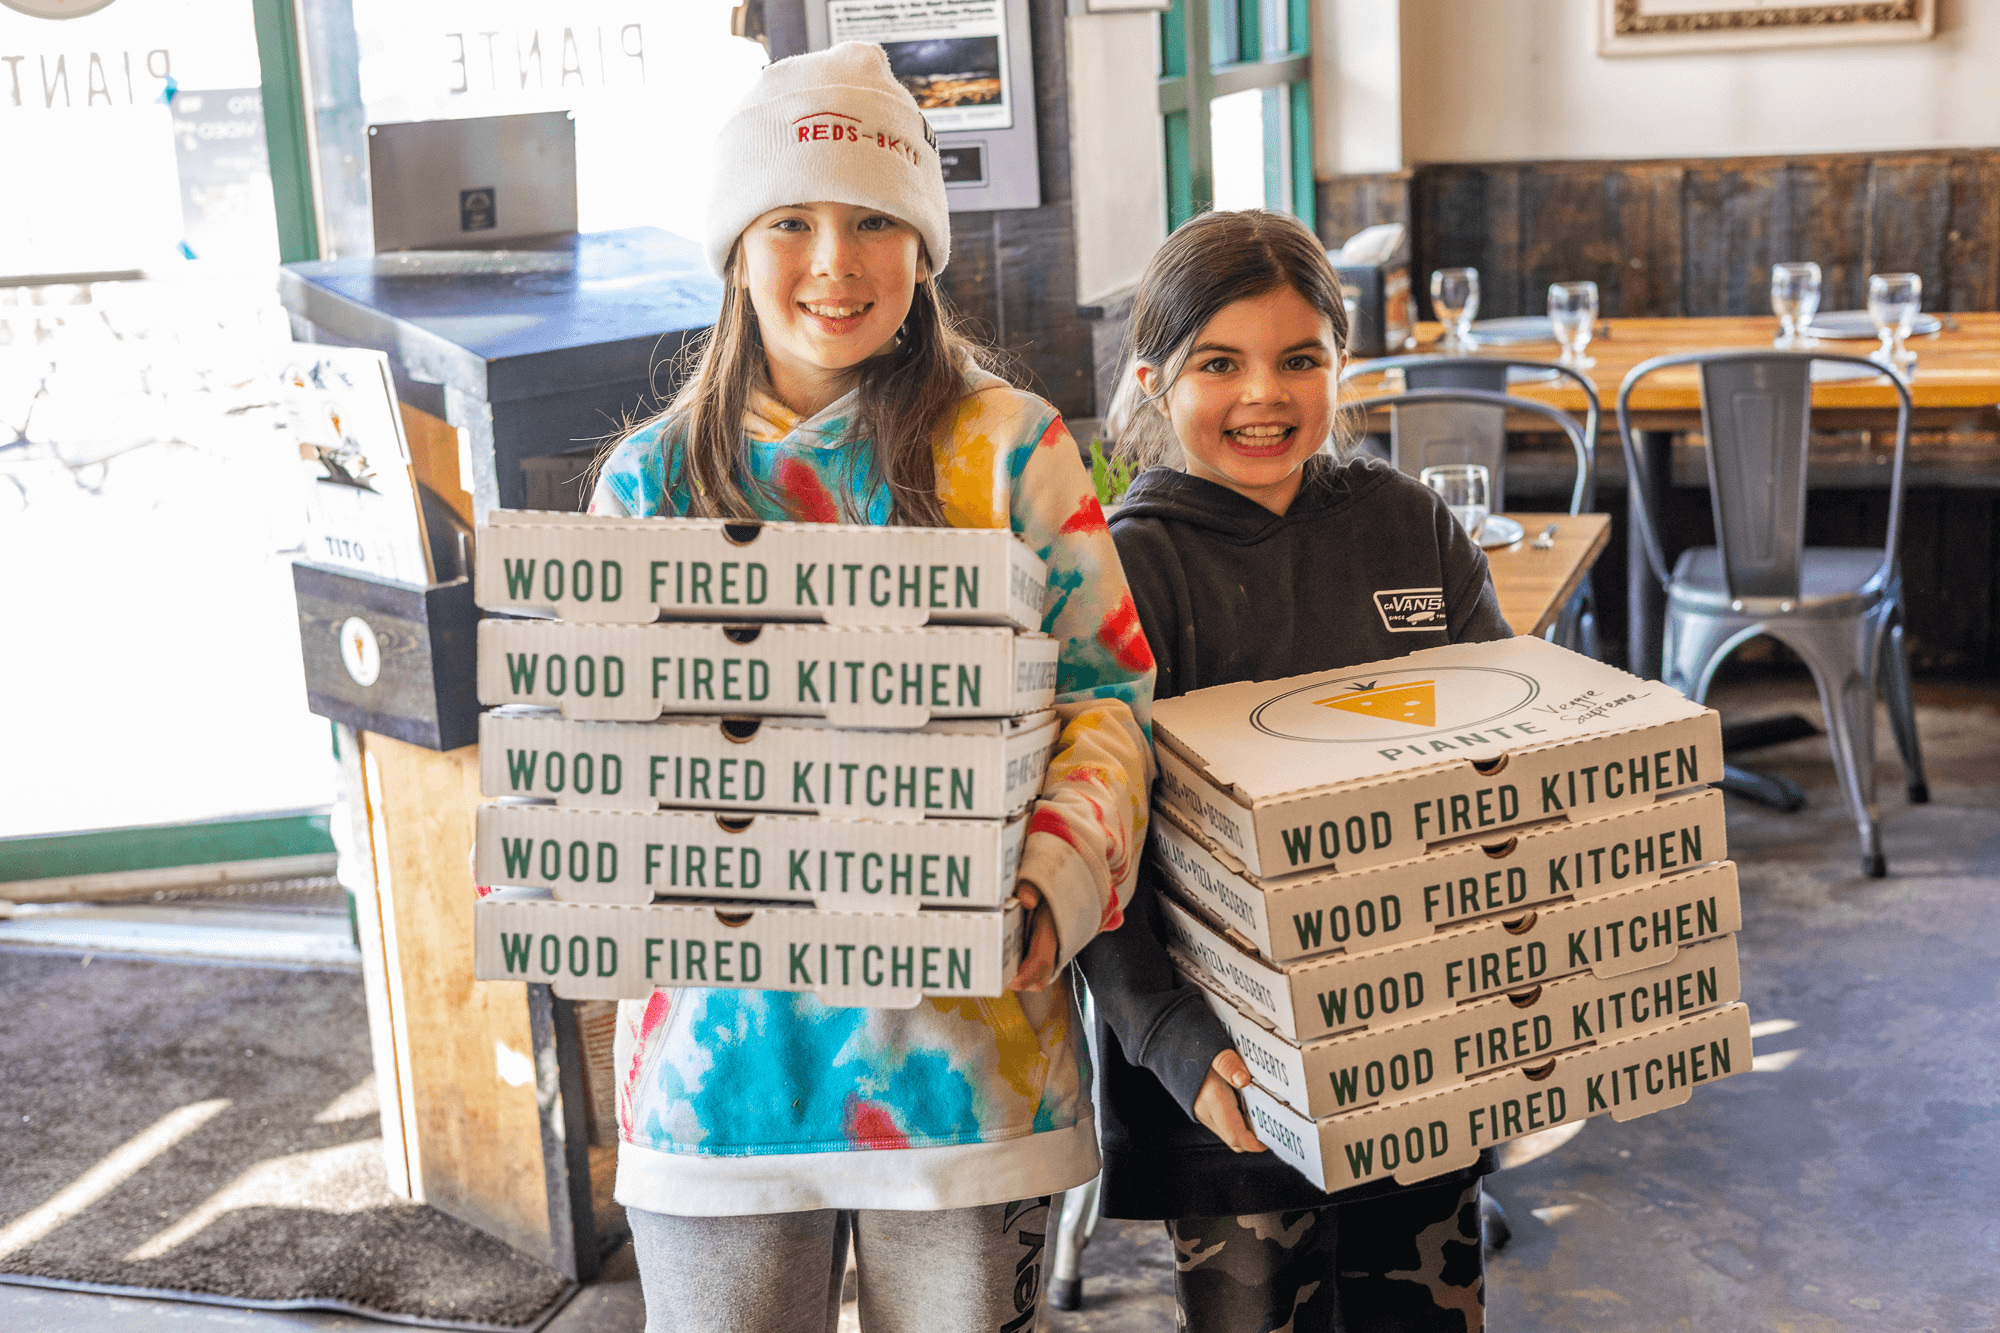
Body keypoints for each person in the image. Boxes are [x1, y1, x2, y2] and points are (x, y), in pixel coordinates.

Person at [585, 42, 1155, 1333]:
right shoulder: (649, 482)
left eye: (876, 222)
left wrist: (1052, 882)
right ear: (736, 250)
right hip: (715, 1087)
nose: (835, 263)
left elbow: (1107, 699)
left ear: (923, 249)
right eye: (789, 221)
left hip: (968, 1071)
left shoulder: (1008, 446)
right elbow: (597, 750)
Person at [1078, 208, 1510, 1333]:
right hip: (1229, 1088)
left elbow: (1508, 754)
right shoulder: (1126, 568)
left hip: (1418, 1048)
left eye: (1299, 359)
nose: (1263, 394)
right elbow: (1090, 835)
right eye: (1219, 363)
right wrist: (1169, 1036)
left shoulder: (1410, 527)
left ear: (1340, 365)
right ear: (1153, 381)